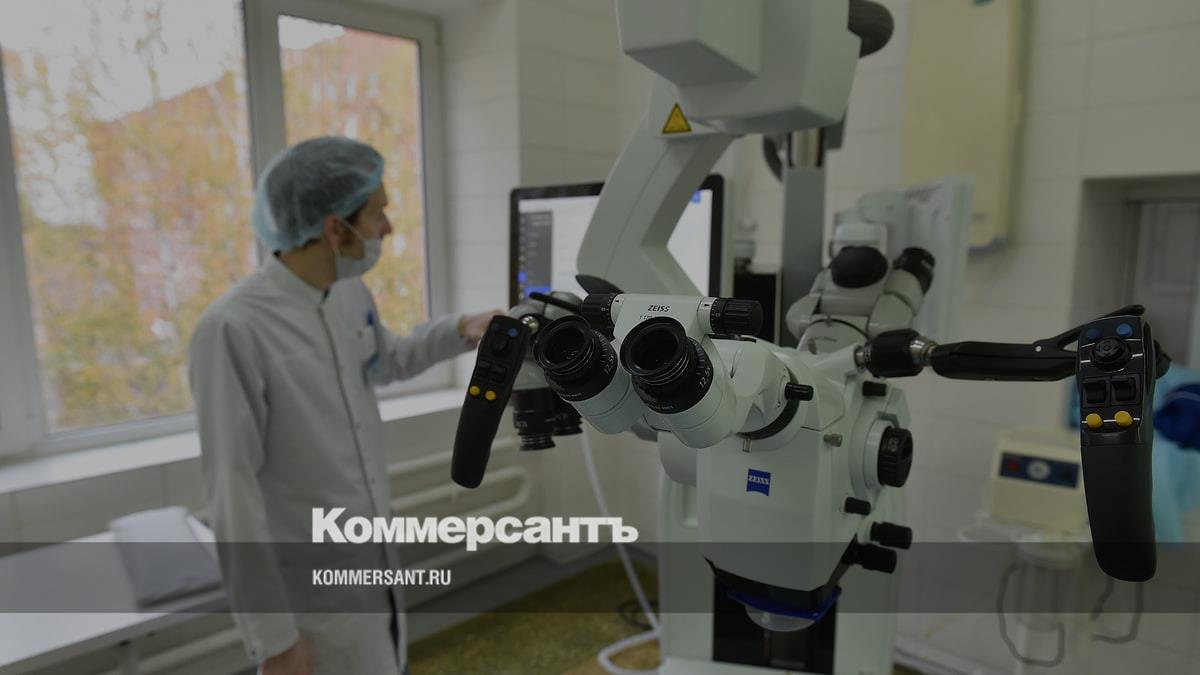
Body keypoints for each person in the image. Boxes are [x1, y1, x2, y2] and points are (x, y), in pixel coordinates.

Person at [188, 136, 498, 674]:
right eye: (378, 213)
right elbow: (232, 494)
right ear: (335, 229)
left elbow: (387, 359)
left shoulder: (347, 294)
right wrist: (274, 639)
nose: (388, 228)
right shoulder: (233, 329)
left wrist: (463, 329)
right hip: (310, 601)